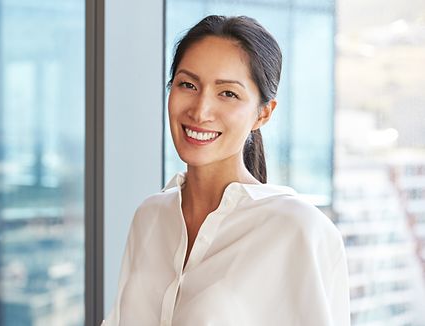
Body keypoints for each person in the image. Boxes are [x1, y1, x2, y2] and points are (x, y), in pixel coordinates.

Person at [103, 15, 350, 326]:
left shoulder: (297, 229)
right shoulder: (150, 216)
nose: (200, 110)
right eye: (188, 85)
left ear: (263, 113)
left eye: (228, 93)